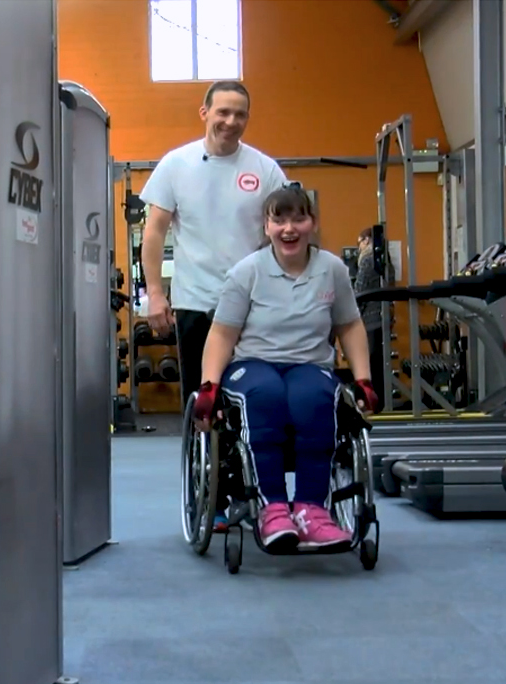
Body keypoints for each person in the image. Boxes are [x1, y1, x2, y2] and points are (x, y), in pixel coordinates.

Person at [192, 186, 379, 553]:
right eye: (279, 219)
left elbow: (349, 326)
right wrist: (209, 387)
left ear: (313, 223)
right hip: (252, 364)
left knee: (314, 398)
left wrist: (363, 379)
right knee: (265, 395)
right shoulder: (246, 273)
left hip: (308, 364)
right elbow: (222, 333)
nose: (289, 228)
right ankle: (273, 508)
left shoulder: (332, 270)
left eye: (298, 218)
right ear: (266, 226)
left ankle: (311, 510)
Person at [138, 81, 288, 410]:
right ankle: (205, 458)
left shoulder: (265, 169)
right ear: (204, 113)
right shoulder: (176, 164)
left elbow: (286, 231)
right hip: (196, 303)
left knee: (256, 394)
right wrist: (155, 293)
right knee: (202, 400)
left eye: (240, 114)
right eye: (223, 112)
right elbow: (154, 232)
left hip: (253, 303)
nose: (231, 121)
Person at [354, 228, 386, 404]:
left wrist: (350, 315)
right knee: (379, 362)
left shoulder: (367, 259)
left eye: (359, 242)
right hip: (383, 316)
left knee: (371, 362)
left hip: (370, 320)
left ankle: (373, 401)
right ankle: (381, 399)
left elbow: (361, 290)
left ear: (366, 240)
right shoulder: (384, 257)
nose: (358, 247)